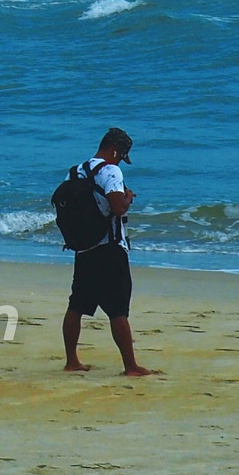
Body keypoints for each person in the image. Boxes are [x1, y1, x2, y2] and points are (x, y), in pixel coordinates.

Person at [62, 126, 155, 377]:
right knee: (118, 309)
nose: (120, 161)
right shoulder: (111, 170)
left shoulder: (77, 171)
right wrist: (128, 197)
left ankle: (72, 361)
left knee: (77, 305)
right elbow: (117, 207)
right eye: (121, 156)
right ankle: (131, 367)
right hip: (109, 249)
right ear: (115, 150)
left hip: (84, 248)